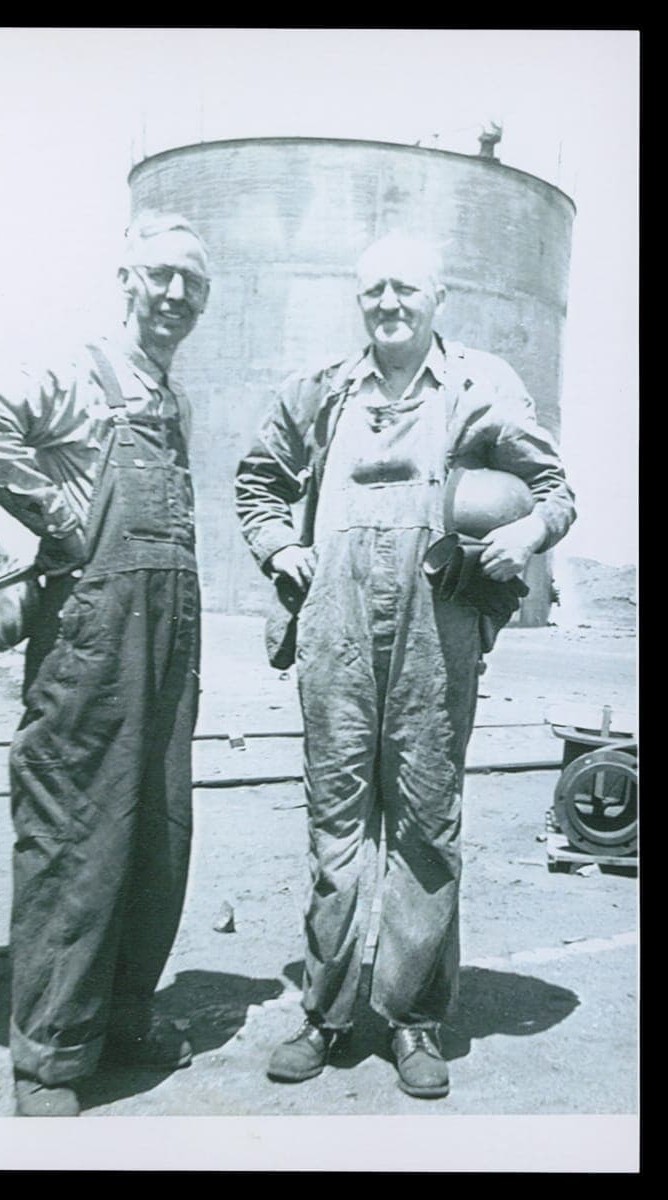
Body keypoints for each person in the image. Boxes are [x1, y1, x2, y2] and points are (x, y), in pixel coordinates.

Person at [234, 232, 575, 1099]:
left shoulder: (479, 390)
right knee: (336, 821)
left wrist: (525, 535)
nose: (389, 303)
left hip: (437, 631)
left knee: (425, 825)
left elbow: (555, 491)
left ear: (438, 298)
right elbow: (256, 483)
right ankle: (325, 1013)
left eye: (406, 290)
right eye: (375, 290)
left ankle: (415, 1020)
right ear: (361, 301)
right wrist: (281, 549)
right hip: (335, 631)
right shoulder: (319, 392)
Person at [0, 211, 211, 1116]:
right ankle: (50, 1061)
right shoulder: (82, 369)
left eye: (193, 283)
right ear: (127, 277)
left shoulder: (170, 396)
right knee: (75, 836)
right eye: (161, 276)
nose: (175, 295)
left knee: (156, 831)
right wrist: (58, 521)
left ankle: (123, 1018)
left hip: (167, 639)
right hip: (92, 642)